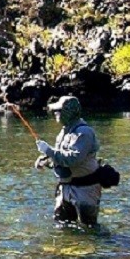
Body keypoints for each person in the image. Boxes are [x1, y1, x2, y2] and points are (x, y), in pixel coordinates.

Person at [34, 96, 101, 227]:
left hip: (84, 189)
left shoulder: (83, 132)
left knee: (89, 228)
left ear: (68, 112)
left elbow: (73, 159)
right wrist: (46, 160)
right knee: (62, 225)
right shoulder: (64, 131)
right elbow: (60, 159)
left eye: (58, 110)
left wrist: (49, 151)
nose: (55, 113)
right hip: (65, 187)